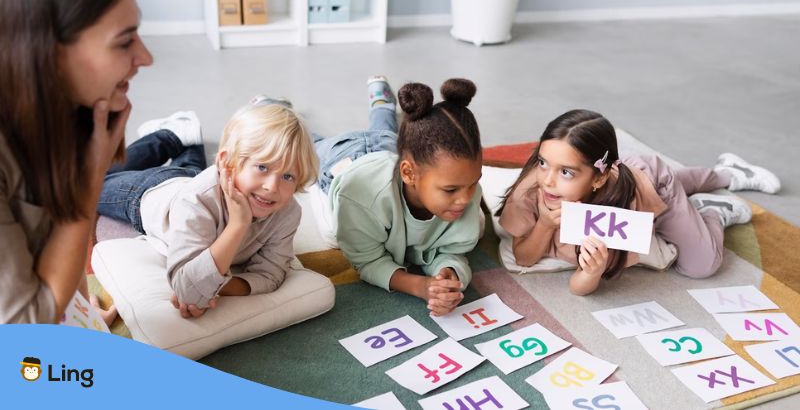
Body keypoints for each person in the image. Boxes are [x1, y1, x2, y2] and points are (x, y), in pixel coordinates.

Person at [0, 0, 153, 323]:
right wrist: (90, 180)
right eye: (124, 41)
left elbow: (60, 220)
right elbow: (24, 330)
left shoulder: (68, 105)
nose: (145, 57)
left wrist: (81, 308)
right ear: (48, 52)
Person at [497, 109, 781, 295]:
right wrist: (546, 225)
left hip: (648, 183)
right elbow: (524, 257)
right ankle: (718, 177)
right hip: (630, 178)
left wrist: (596, 266)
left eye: (566, 172)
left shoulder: (620, 204)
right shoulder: (532, 189)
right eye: (543, 163)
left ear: (598, 178)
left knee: (701, 264)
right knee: (675, 183)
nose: (547, 180)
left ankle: (714, 209)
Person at [97, 98, 318, 318]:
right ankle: (167, 137)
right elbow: (187, 288)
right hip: (150, 191)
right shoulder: (195, 201)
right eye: (262, 167)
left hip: (198, 180)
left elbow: (270, 275)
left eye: (288, 176)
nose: (272, 187)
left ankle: (188, 139)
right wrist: (238, 224)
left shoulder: (288, 212)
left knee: (190, 168)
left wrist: (215, 285)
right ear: (226, 163)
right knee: (88, 183)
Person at [315, 76, 483, 316]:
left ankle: (381, 100)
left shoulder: (460, 185)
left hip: (388, 148)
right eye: (451, 190)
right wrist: (420, 286)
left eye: (473, 183)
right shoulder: (359, 199)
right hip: (343, 158)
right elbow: (368, 262)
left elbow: (452, 250)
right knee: (302, 144)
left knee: (384, 131)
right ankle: (268, 105)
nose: (466, 199)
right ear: (409, 174)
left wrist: (448, 272)